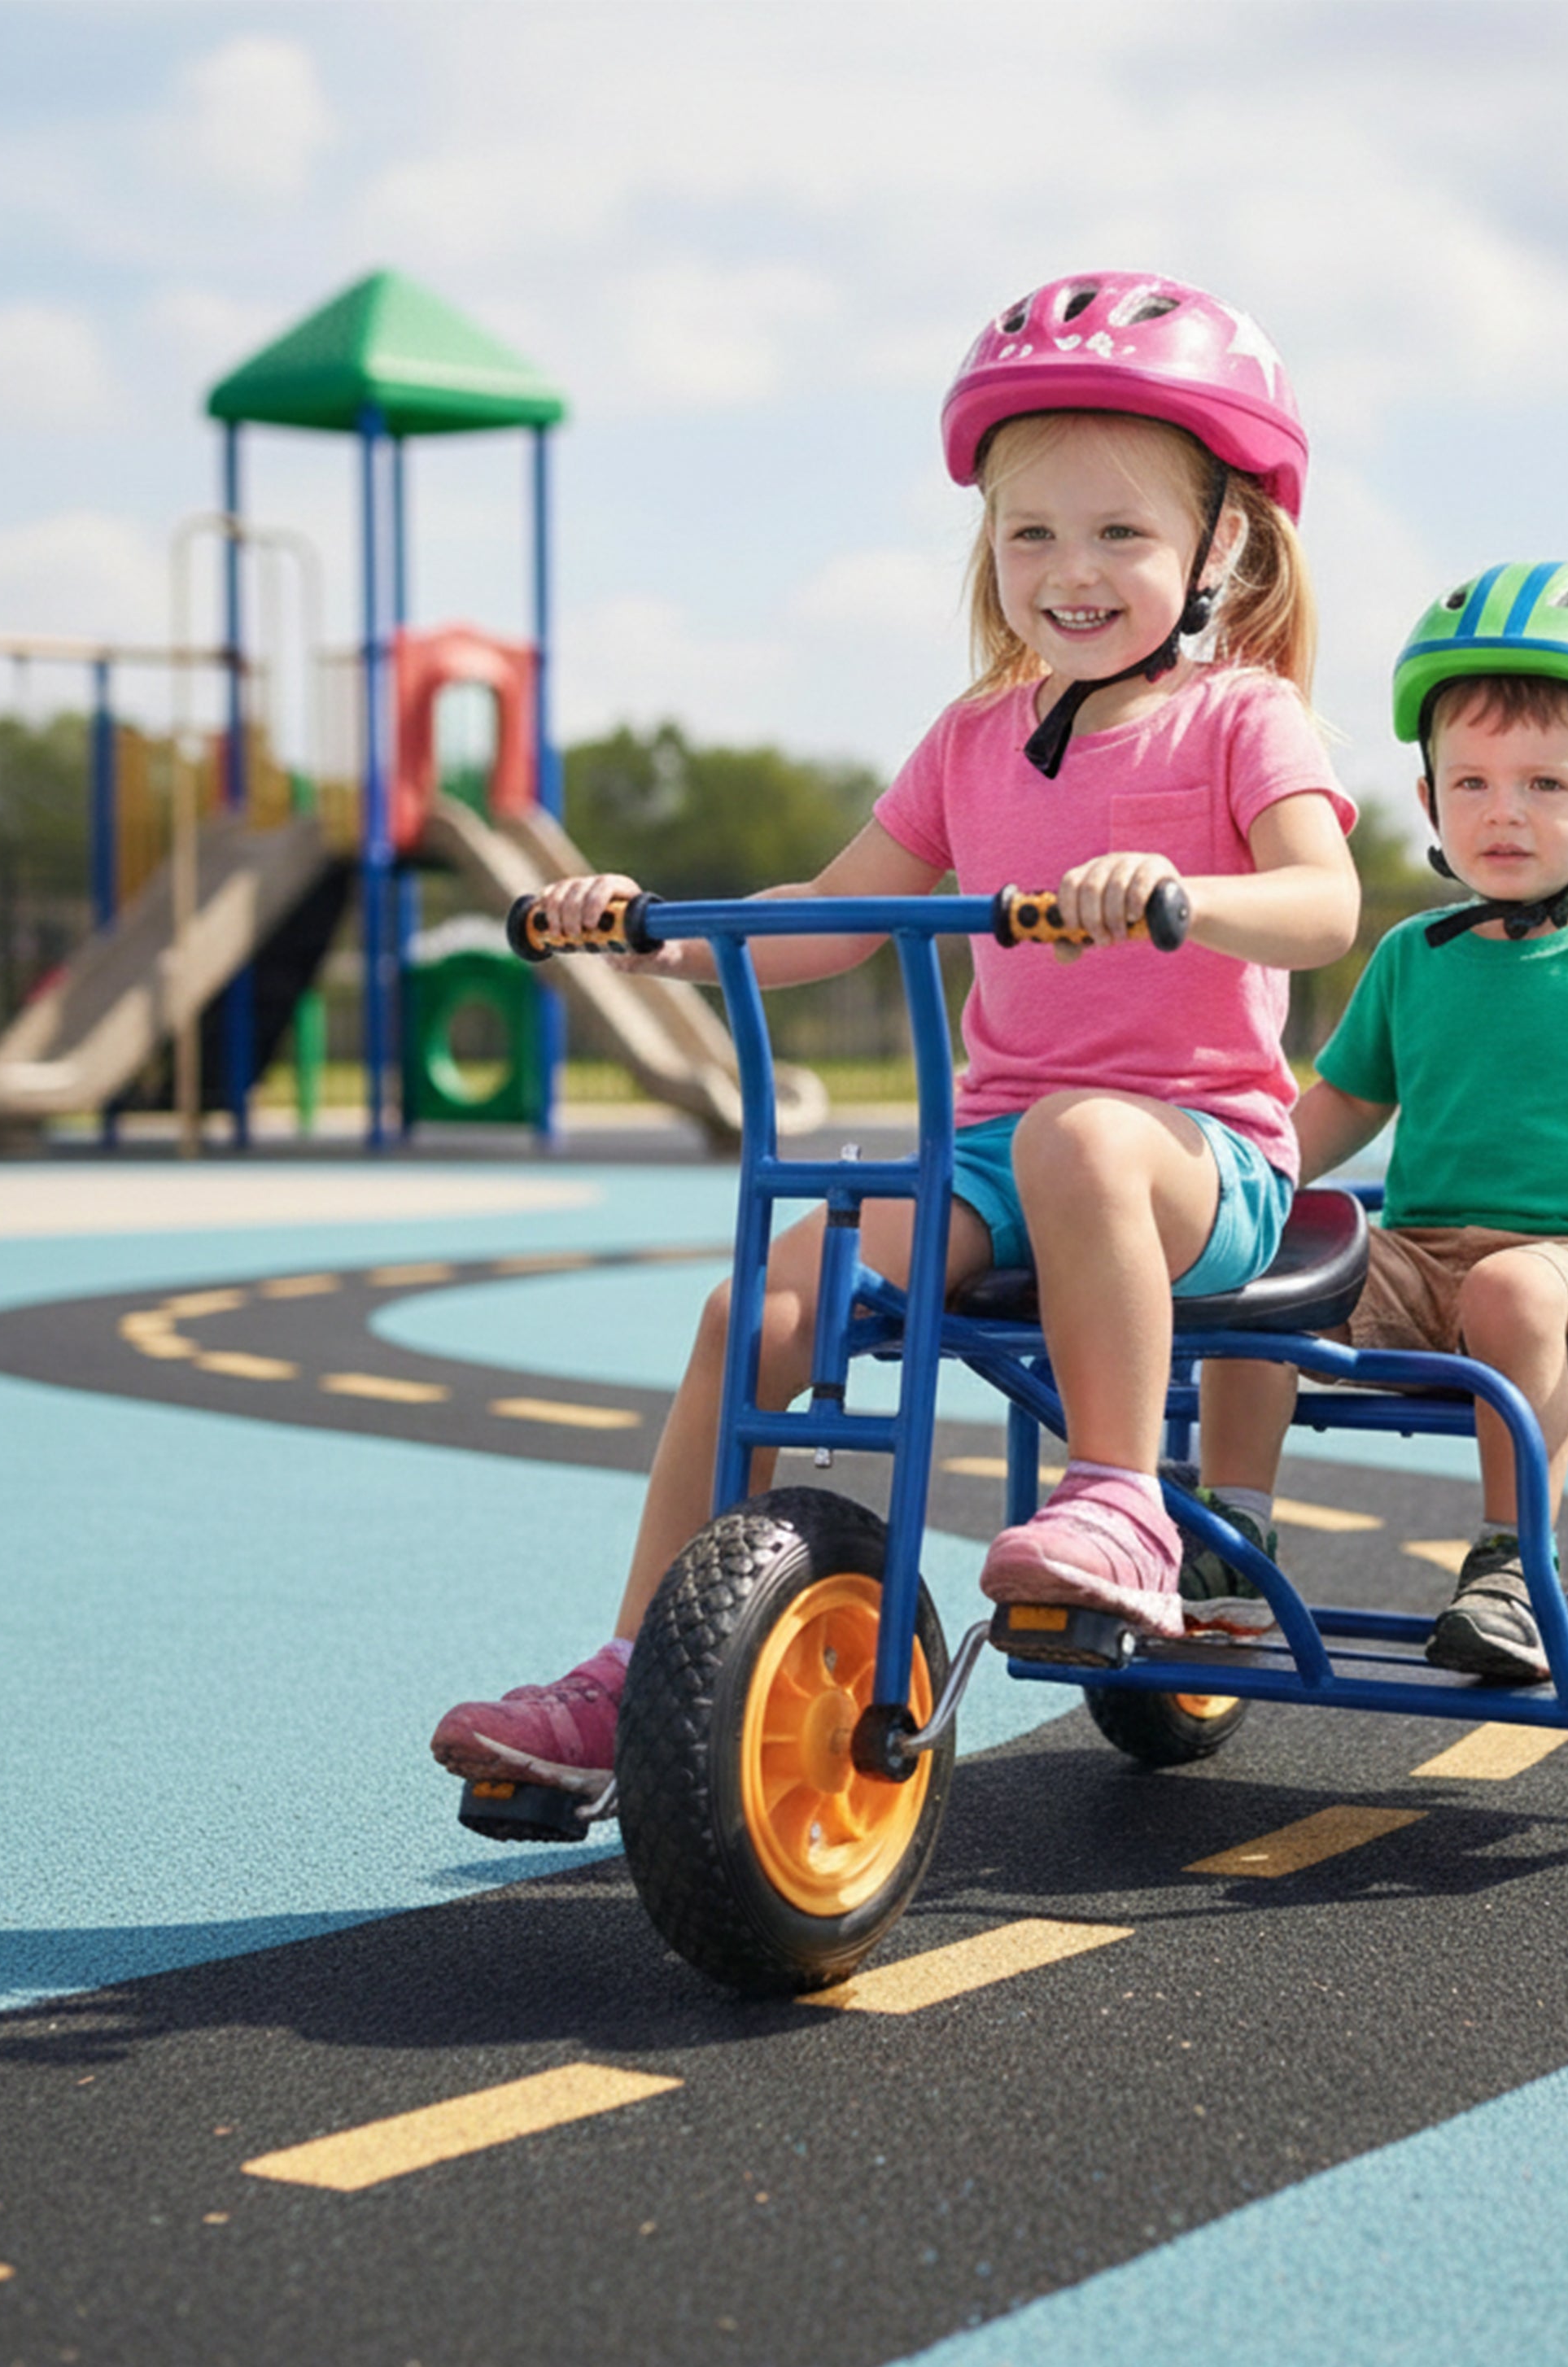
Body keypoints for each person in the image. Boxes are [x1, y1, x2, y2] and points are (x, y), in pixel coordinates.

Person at [434, 271, 1358, 1806]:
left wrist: (1177, 900)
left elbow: (1323, 907)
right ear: (988, 549)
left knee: (1081, 1136)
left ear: (1220, 545)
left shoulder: (1243, 719)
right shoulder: (971, 736)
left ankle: (1125, 1502)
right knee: (762, 1306)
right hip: (996, 1160)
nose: (1072, 570)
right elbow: (838, 911)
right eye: (1031, 534)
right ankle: (632, 1668)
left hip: (1204, 1165)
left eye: (1122, 533)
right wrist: (661, 929)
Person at [1181, 560, 1568, 1679]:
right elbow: (1349, 1100)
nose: (1504, 811)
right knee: (1254, 1273)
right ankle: (1235, 1540)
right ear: (1431, 805)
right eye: (1473, 784)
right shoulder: (1415, 958)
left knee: (1511, 1287)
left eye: (1547, 785)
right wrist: (1247, 1184)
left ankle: (1514, 1567)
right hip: (1424, 1264)